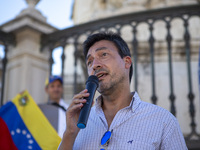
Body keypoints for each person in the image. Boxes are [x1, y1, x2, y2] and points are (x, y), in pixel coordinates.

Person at [58, 32, 187, 150]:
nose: (95, 65)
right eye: (89, 62)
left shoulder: (163, 121)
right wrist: (69, 133)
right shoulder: (78, 124)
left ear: (127, 62)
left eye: (103, 54)